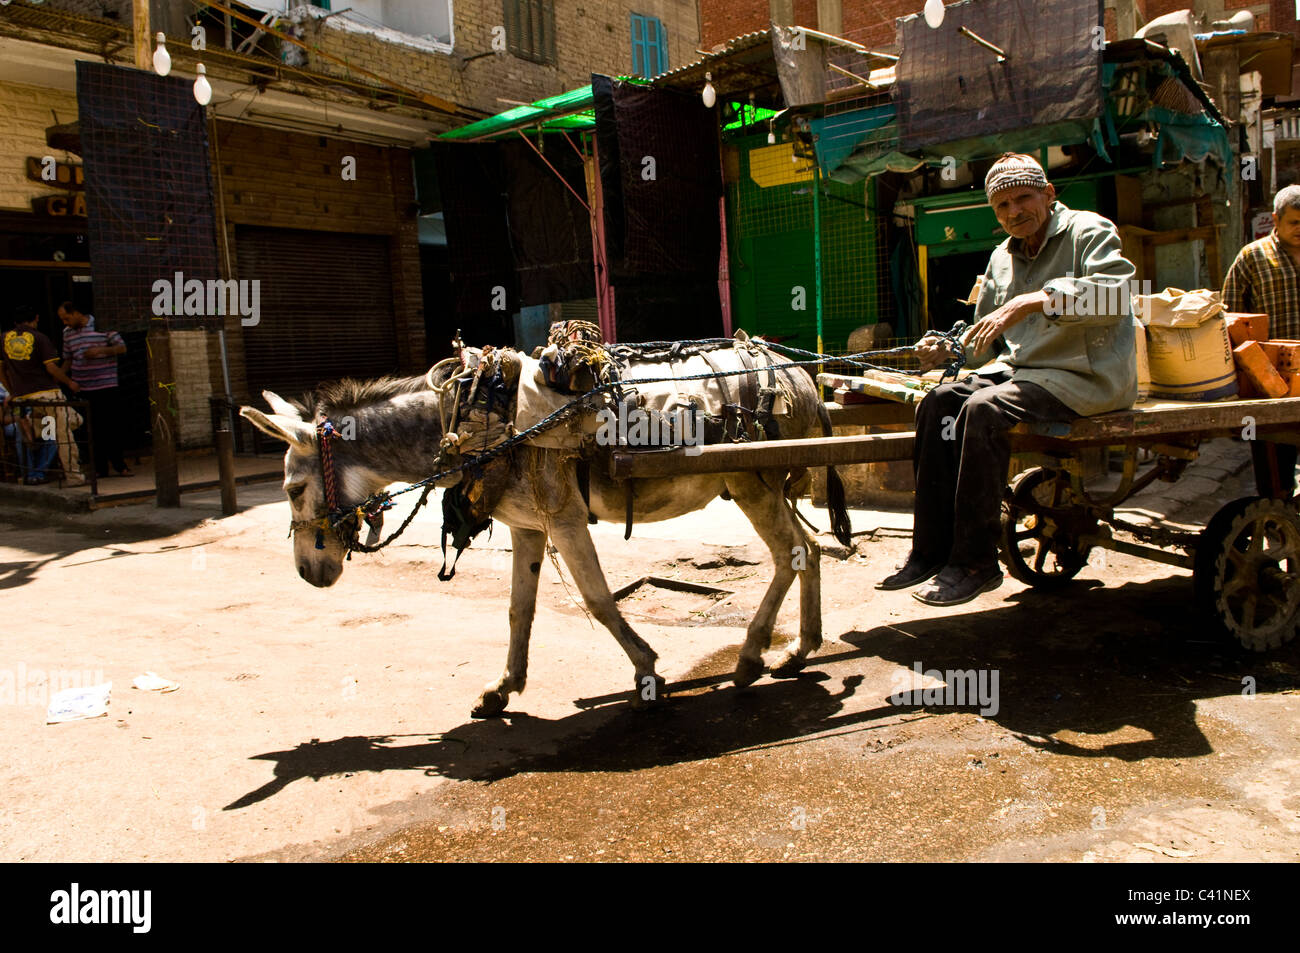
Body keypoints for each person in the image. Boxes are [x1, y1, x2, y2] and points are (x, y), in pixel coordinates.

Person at [879, 153, 1138, 606]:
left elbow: (1116, 296)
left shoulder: (1089, 230)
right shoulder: (1002, 256)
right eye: (1002, 206)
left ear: (1049, 194)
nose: (1014, 212)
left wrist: (1034, 301)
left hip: (1086, 377)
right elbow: (988, 342)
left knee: (984, 410)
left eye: (1024, 198)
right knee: (938, 401)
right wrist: (948, 349)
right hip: (1023, 373)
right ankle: (930, 552)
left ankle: (977, 563)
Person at [1222, 185, 1300, 497]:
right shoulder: (1252, 257)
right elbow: (1228, 320)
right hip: (1270, 383)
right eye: (1294, 222)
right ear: (1276, 219)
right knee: (1274, 468)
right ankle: (1275, 524)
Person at [0, 304, 84, 485]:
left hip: (22, 396)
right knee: (64, 432)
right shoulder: (40, 338)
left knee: (55, 428)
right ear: (36, 318)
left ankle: (34, 431)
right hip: (47, 393)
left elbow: (2, 369)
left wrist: (13, 391)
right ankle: (74, 476)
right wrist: (69, 382)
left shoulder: (3, 338)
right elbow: (51, 367)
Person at [58, 302, 133, 478]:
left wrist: (101, 350)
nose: (65, 323)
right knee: (92, 428)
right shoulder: (67, 334)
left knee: (111, 426)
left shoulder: (103, 325)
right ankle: (100, 468)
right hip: (83, 386)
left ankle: (119, 464)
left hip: (106, 385)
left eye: (67, 318)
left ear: (76, 313)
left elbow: (121, 348)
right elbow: (68, 359)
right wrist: (62, 378)